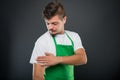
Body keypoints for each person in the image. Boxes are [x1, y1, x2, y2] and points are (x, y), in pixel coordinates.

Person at [30, 1, 87, 80]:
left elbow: (82, 58)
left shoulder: (74, 36)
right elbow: (37, 77)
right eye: (47, 23)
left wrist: (58, 59)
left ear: (64, 19)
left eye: (54, 23)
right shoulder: (42, 42)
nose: (50, 27)